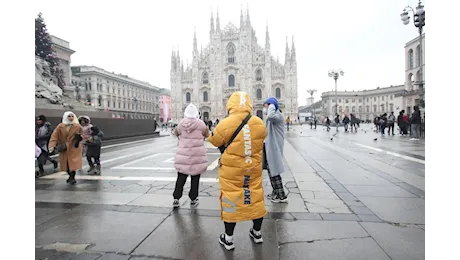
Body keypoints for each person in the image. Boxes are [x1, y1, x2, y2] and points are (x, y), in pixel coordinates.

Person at [208, 91, 267, 251]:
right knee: (254, 196)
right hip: (252, 169)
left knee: (231, 198)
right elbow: (261, 138)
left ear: (231, 105)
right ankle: (257, 233)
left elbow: (214, 140)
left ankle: (228, 239)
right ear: (249, 104)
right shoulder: (259, 123)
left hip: (232, 171)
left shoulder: (226, 123)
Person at [172, 103, 209, 208]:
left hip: (183, 155)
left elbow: (176, 133)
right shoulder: (201, 124)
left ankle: (176, 198)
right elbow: (207, 134)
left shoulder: (181, 123)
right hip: (197, 155)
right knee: (195, 178)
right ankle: (193, 199)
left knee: (181, 178)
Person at [263, 97, 288, 203]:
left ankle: (281, 195)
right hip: (270, 146)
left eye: (266, 106)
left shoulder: (277, 116)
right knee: (270, 170)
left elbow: (270, 115)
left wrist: (272, 105)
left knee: (275, 170)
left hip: (275, 146)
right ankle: (275, 191)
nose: (265, 108)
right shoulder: (273, 117)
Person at [48, 111, 83, 185]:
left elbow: (83, 134)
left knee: (73, 164)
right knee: (66, 164)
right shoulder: (60, 126)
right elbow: (54, 136)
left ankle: (72, 177)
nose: (71, 118)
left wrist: (80, 138)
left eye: (72, 116)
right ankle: (69, 175)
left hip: (74, 147)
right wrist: (52, 145)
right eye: (69, 116)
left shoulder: (77, 126)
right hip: (64, 148)